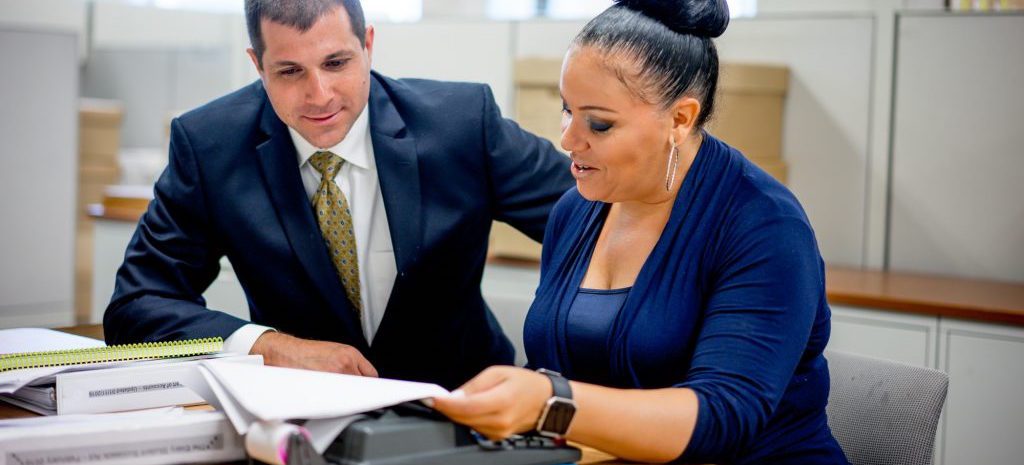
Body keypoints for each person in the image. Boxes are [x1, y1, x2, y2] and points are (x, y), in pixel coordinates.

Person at [432, 1, 850, 463]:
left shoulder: (765, 225)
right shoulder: (575, 210)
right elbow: (557, 371)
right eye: (567, 110)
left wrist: (548, 401)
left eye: (599, 123)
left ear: (680, 119)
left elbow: (723, 418)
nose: (568, 139)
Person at [102, 0, 573, 390]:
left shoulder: (463, 122)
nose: (319, 94)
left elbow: (598, 210)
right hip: (297, 419)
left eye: (336, 63)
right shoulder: (210, 146)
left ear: (367, 45)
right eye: (289, 71)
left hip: (466, 407)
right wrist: (271, 347)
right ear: (256, 64)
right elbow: (136, 305)